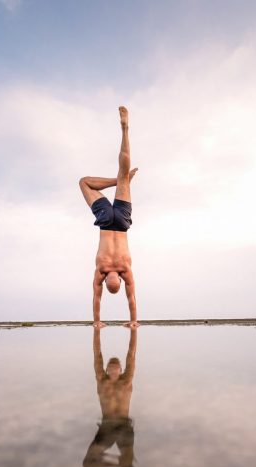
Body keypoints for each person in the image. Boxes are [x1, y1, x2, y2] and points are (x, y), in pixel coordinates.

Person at [78, 106, 139, 328]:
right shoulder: (125, 269)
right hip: (120, 222)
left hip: (108, 221)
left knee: (84, 182)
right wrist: (133, 320)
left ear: (107, 281)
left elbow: (97, 297)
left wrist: (97, 321)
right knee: (121, 174)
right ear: (120, 281)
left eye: (109, 285)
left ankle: (120, 178)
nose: (114, 283)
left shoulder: (100, 271)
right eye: (117, 285)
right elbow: (131, 297)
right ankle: (125, 130)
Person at [83, 326, 139, 467]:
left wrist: (134, 331)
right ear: (106, 369)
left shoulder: (128, 380)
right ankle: (120, 465)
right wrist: (96, 331)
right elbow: (96, 353)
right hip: (106, 428)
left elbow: (132, 353)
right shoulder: (101, 380)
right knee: (88, 463)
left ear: (121, 369)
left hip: (124, 427)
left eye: (117, 366)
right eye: (110, 366)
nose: (114, 369)